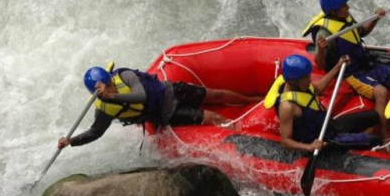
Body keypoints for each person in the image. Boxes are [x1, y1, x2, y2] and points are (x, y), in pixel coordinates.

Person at [58, 66, 260, 148]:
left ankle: (251, 99)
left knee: (215, 94)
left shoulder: (123, 74)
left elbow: (141, 95)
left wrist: (114, 94)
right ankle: (247, 136)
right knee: (213, 117)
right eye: (106, 87)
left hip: (170, 90)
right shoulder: (104, 109)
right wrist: (71, 141)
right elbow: (95, 132)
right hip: (166, 112)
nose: (110, 86)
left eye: (109, 83)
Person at [302, 0, 390, 142]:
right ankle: (384, 136)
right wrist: (321, 51)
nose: (348, 7)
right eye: (344, 6)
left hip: (368, 64)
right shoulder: (324, 33)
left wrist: (375, 18)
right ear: (334, 11)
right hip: (351, 73)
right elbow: (320, 65)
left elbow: (361, 32)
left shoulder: (344, 17)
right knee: (380, 92)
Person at [264, 54, 379, 153]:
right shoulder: (287, 106)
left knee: (374, 116)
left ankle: (355, 144)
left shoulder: (300, 85)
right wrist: (310, 147)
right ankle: (358, 148)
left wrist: (338, 66)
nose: (309, 79)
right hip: (322, 140)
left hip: (329, 125)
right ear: (292, 81)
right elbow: (285, 142)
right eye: (305, 77)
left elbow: (317, 89)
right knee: (374, 140)